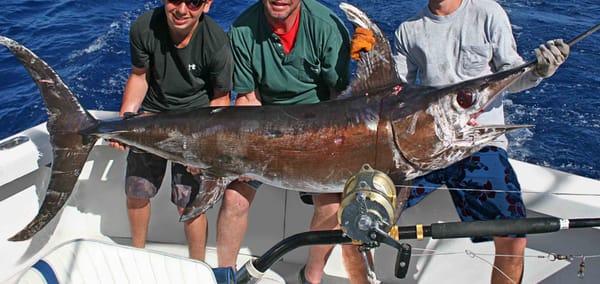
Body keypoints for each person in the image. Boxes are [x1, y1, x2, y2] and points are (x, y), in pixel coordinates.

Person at [352, 0, 570, 283]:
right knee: (359, 212)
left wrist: (539, 71)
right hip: (424, 148)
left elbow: (512, 74)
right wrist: (371, 62)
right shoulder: (409, 30)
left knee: (513, 235)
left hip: (475, 146)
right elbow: (395, 95)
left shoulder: (487, 13)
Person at [218, 0, 369, 283]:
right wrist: (243, 153)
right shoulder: (241, 29)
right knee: (233, 199)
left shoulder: (326, 27)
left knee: (332, 206)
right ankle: (224, 275)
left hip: (319, 133)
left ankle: (310, 276)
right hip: (265, 130)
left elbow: (339, 99)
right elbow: (249, 99)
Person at [108, 0, 233, 261]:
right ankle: (137, 254)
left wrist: (206, 149)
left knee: (189, 205)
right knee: (137, 190)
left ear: (207, 5)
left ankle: (198, 265)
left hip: (196, 127)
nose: (182, 10)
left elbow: (221, 100)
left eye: (194, 2)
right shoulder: (144, 27)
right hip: (153, 117)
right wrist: (124, 122)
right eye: (175, 0)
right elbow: (139, 76)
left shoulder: (217, 42)